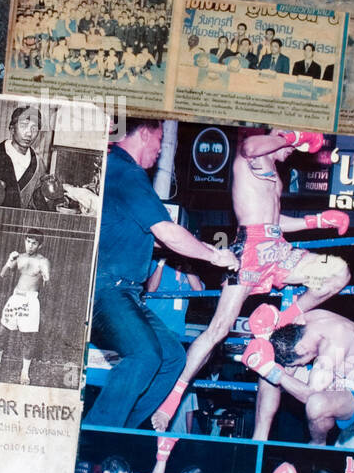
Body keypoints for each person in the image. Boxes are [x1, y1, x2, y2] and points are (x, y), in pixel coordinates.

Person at [149, 128, 350, 431]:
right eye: (289, 146)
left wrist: (318, 221)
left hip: (278, 249)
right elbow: (253, 146)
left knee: (338, 272)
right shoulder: (251, 154)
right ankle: (172, 399)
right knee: (219, 328)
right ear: (280, 133)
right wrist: (294, 136)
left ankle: (283, 318)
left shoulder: (275, 173)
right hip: (250, 251)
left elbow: (275, 220)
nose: (291, 153)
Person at [84, 119, 239, 429]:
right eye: (159, 141)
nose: (160, 152)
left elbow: (153, 237)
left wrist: (202, 246)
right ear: (144, 134)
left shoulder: (120, 173)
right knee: (143, 355)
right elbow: (167, 233)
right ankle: (97, 435)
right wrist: (215, 256)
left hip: (123, 291)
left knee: (172, 358)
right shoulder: (127, 173)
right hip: (106, 288)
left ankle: (124, 428)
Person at [241, 306, 354, 443]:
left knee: (315, 404)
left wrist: (273, 372)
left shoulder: (332, 347)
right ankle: (259, 439)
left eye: (298, 363)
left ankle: (318, 444)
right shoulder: (304, 321)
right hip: (333, 375)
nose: (299, 365)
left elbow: (310, 394)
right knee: (269, 368)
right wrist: (266, 339)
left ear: (302, 349)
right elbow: (285, 327)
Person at [0, 230, 51, 385]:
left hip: (30, 301)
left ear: (40, 245)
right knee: (1, 333)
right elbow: (2, 275)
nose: (30, 245)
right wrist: (8, 261)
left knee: (28, 339)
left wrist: (46, 277)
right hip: (15, 298)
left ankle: (24, 372)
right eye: (28, 241)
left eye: (34, 243)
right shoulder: (19, 257)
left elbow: (48, 281)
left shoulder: (43, 261)